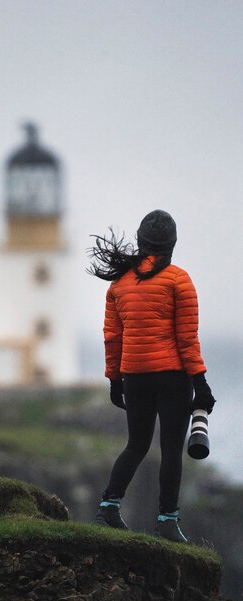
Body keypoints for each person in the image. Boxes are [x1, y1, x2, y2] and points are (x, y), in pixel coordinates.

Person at [88, 210, 215, 543]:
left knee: (137, 444)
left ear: (141, 242)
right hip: (172, 377)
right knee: (171, 450)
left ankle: (108, 509)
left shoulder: (119, 284)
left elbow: (112, 337)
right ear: (171, 244)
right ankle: (167, 521)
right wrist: (201, 385)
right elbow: (187, 339)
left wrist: (115, 380)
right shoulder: (178, 280)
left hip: (135, 376)